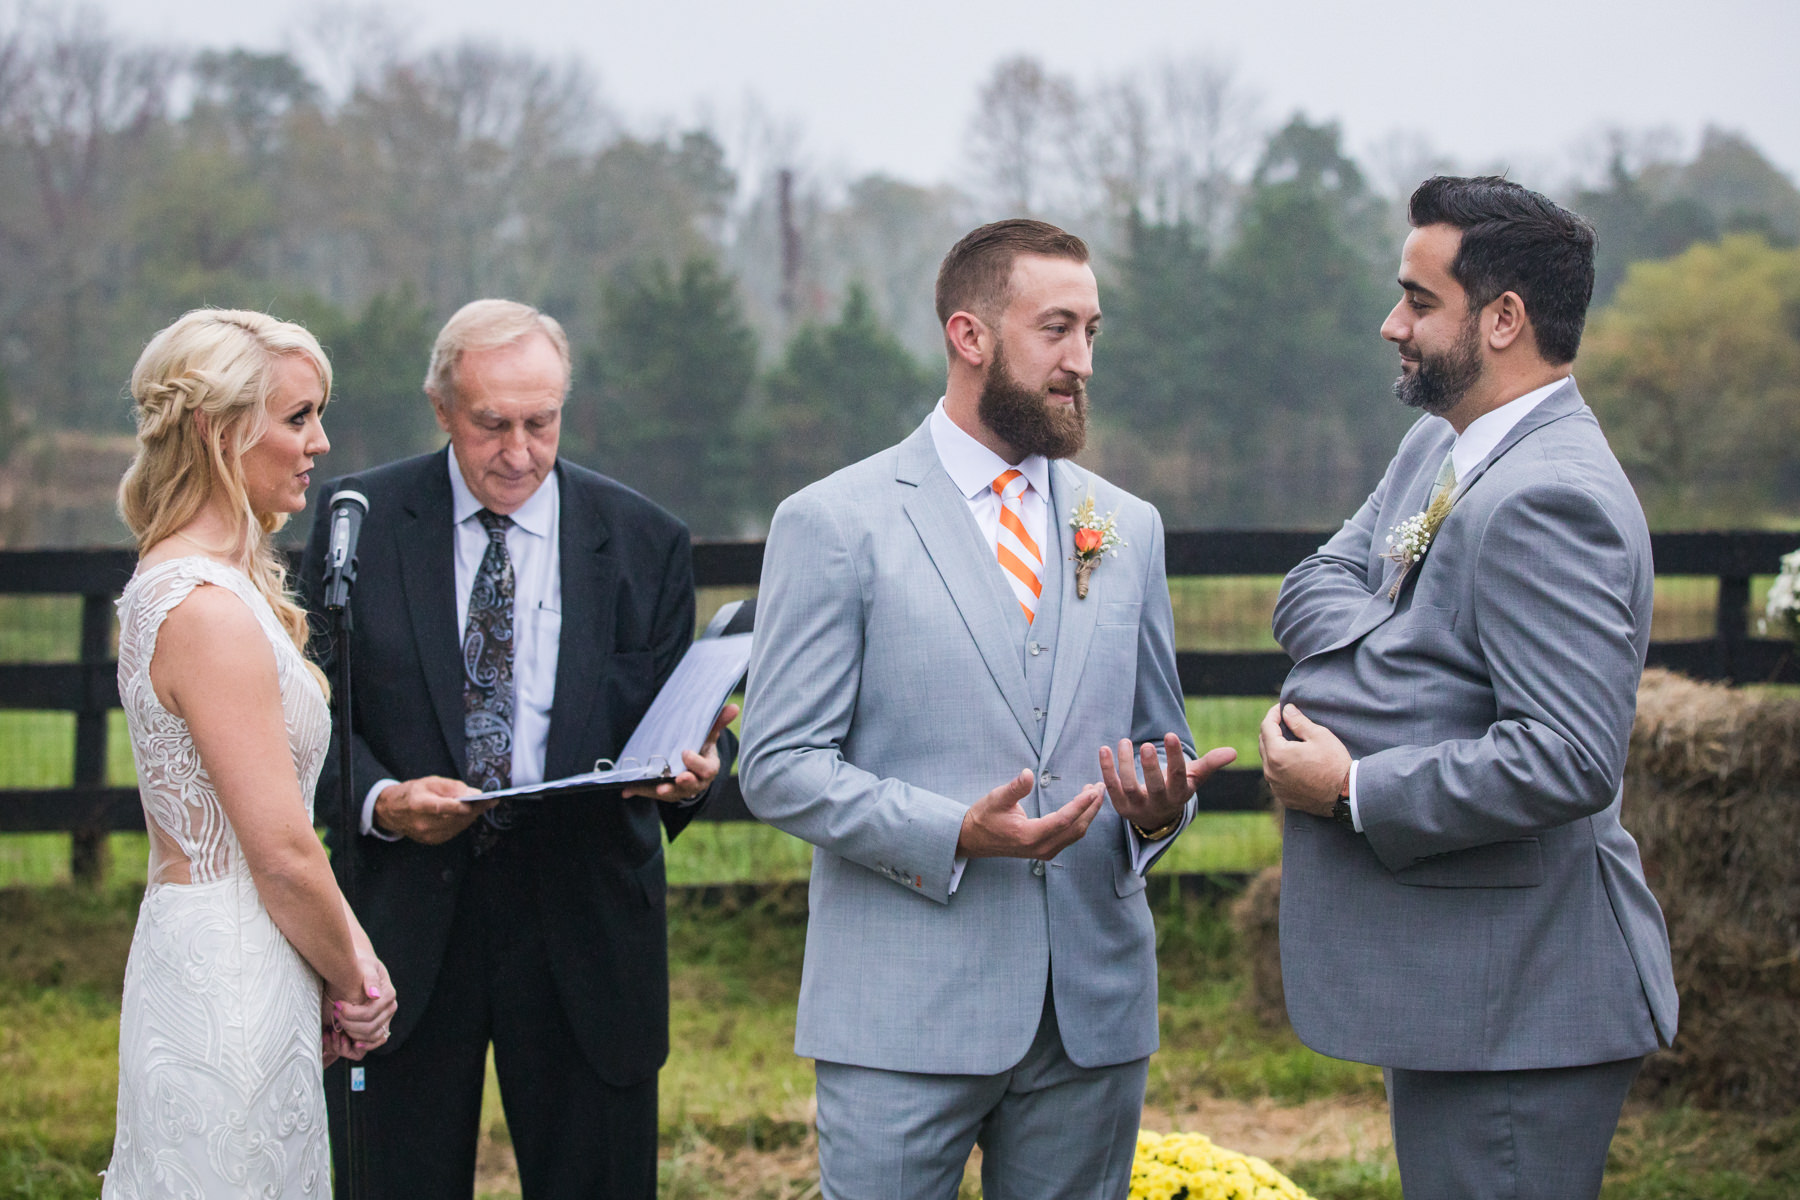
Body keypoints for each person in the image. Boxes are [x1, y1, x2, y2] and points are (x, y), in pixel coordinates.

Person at [741, 219, 1236, 1200]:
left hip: (1091, 1015)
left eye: (1093, 332)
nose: (1081, 361)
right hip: (901, 1014)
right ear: (970, 336)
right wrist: (953, 833)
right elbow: (779, 765)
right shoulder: (836, 524)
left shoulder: (1122, 528)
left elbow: (1154, 737)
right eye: (1056, 329)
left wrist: (1159, 809)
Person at [1262, 176, 1679, 1198]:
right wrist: (1396, 642)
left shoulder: (1551, 498)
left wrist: (1355, 789)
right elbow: (1309, 584)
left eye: (1418, 298)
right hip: (1471, 990)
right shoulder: (1437, 448)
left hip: (1521, 1004)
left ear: (1504, 319)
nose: (1390, 322)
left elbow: (1569, 756)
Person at [300, 298, 734, 1199]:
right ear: (441, 409)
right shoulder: (361, 523)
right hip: (406, 932)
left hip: (586, 932)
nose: (520, 451)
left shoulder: (645, 540)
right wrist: (384, 803)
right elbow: (314, 718)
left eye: (542, 422)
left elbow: (663, 729)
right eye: (491, 424)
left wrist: (690, 778)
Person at [104, 308, 397, 1197]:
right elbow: (277, 849)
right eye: (298, 416)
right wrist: (358, 974)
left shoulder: (213, 586)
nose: (321, 441)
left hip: (248, 952)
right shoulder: (203, 608)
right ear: (215, 428)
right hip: (226, 964)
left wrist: (330, 965)